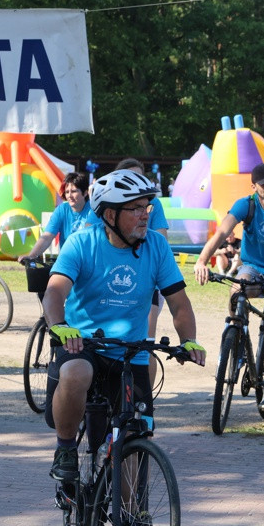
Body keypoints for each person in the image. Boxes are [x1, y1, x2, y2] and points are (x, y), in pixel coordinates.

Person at [42, 169, 206, 483]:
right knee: (76, 372)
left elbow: (179, 303)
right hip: (83, 344)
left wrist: (189, 340)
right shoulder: (82, 244)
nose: (146, 215)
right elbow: (54, 291)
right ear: (110, 214)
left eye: (148, 207)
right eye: (136, 209)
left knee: (135, 439)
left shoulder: (156, 247)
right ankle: (65, 450)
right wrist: (61, 326)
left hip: (132, 354)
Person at [193, 161, 264, 413]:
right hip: (254, 267)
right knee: (237, 292)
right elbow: (223, 231)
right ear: (254, 186)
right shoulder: (246, 204)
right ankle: (236, 340)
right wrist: (201, 260)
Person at [86, 157, 172, 384]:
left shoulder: (154, 204)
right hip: (109, 274)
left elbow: (161, 237)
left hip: (145, 278)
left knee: (146, 340)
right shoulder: (107, 201)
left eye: (140, 177)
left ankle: (144, 399)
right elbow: (89, 232)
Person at [17, 172, 92, 263]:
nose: (69, 196)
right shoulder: (61, 210)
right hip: (68, 261)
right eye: (67, 192)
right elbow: (47, 236)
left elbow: (88, 239)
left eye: (74, 191)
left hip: (90, 262)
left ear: (85, 193)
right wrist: (31, 256)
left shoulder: (93, 211)